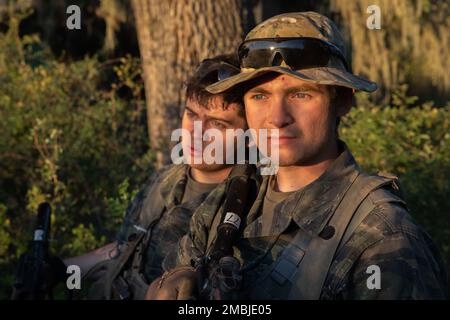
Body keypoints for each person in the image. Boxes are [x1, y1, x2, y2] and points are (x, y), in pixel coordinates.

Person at [147, 12, 448, 300]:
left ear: (341, 100)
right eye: (259, 96)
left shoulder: (383, 237)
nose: (276, 118)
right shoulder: (235, 195)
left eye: (300, 94)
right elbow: (181, 262)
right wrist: (179, 276)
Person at [49, 54, 259, 299]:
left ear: (249, 134)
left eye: (218, 124)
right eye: (191, 114)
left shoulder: (246, 207)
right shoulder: (168, 178)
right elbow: (125, 247)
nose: (196, 132)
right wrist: (61, 269)